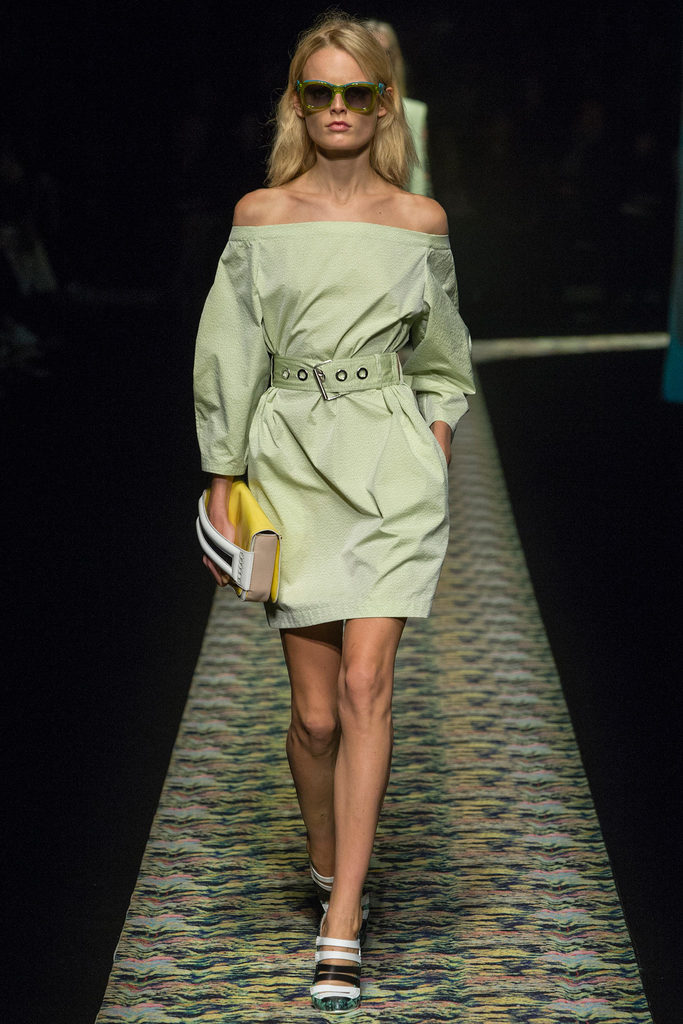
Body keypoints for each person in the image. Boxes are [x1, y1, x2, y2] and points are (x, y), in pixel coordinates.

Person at [193, 12, 475, 1013]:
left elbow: (444, 356)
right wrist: (222, 478)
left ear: (385, 103)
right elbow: (228, 351)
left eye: (359, 92)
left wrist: (431, 438)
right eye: (321, 91)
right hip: (289, 464)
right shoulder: (261, 216)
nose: (340, 108)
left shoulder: (419, 222)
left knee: (365, 688)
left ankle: (343, 918)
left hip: (389, 466)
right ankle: (325, 859)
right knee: (312, 719)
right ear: (298, 103)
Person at [364, 19, 433, 197]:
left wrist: (419, 211)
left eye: (385, 52)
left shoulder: (414, 112)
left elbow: (417, 176)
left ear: (394, 57)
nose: (378, 58)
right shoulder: (338, 106)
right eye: (370, 49)